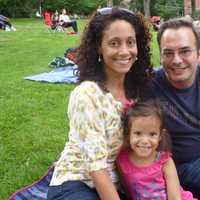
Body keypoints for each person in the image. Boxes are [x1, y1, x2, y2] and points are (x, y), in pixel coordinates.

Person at [47, 7, 152, 200]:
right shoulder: (87, 95)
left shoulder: (137, 93)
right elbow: (96, 168)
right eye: (114, 43)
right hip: (76, 183)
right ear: (98, 47)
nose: (124, 51)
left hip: (118, 184)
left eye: (130, 42)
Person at [150, 18, 200, 198]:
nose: (177, 60)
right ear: (161, 56)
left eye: (185, 51)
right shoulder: (148, 85)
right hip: (178, 167)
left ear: (198, 54)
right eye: (168, 53)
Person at [116, 99, 196, 199]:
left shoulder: (165, 161)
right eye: (138, 133)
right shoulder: (122, 160)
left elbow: (175, 198)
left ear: (160, 136)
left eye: (152, 134)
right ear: (128, 135)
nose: (145, 140)